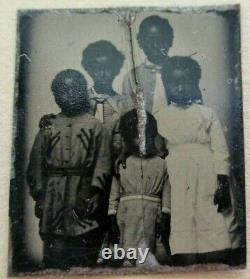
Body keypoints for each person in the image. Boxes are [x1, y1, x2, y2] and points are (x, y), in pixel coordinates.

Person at [27, 69, 111, 269]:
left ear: (85, 91)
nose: (70, 95)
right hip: (53, 196)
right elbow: (36, 164)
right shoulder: (48, 126)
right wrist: (39, 195)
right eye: (64, 91)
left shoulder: (95, 126)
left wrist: (97, 192)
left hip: (83, 193)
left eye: (76, 90)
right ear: (55, 96)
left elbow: (103, 161)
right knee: (55, 250)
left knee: (84, 248)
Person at [158, 56, 234, 265]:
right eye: (175, 83)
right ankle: (184, 255)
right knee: (180, 213)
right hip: (176, 173)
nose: (181, 88)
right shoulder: (161, 116)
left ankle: (214, 257)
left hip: (206, 171)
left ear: (195, 84)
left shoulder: (206, 114)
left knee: (208, 210)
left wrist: (223, 181)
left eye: (187, 82)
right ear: (166, 84)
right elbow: (158, 151)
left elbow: (220, 149)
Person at [108, 109, 171, 267]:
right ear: (128, 138)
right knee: (128, 248)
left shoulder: (161, 163)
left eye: (145, 136)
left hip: (152, 211)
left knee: (154, 248)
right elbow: (114, 193)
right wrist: (111, 214)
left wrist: (165, 212)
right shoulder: (122, 164)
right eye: (135, 137)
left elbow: (166, 190)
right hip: (127, 212)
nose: (141, 141)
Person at [121, 15, 174, 115]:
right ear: (140, 42)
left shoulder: (182, 71)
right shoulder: (132, 77)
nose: (155, 45)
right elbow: (128, 114)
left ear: (170, 41)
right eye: (150, 40)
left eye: (160, 39)